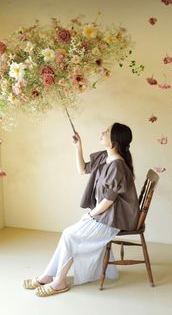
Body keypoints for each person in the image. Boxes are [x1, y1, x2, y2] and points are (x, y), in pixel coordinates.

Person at [23, 122, 140, 297]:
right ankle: (49, 276)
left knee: (70, 235)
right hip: (103, 215)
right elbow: (82, 169)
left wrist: (90, 214)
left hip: (112, 219)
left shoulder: (117, 166)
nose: (102, 132)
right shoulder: (104, 157)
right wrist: (78, 147)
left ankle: (58, 281)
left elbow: (109, 200)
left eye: (107, 131)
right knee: (68, 234)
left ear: (114, 141)